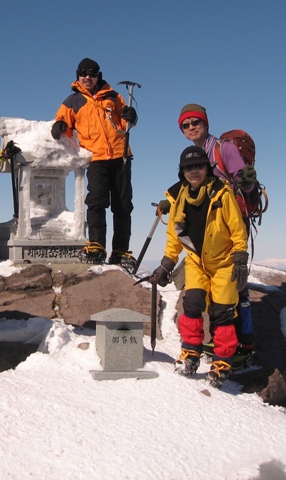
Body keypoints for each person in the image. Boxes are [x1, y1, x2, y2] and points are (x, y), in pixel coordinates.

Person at [150, 147, 249, 388]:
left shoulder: (222, 193)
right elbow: (174, 236)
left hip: (224, 262)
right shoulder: (177, 198)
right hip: (196, 262)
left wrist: (240, 259)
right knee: (192, 305)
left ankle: (222, 360)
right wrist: (166, 264)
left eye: (199, 166)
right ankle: (190, 352)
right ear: (182, 172)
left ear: (207, 168)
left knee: (223, 312)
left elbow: (238, 230)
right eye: (188, 167)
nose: (194, 171)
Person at [174, 103, 259, 357]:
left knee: (235, 283)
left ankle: (244, 344)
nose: (191, 127)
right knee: (217, 285)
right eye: (185, 125)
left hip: (232, 223)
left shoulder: (224, 148)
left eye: (195, 122)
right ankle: (221, 339)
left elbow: (246, 182)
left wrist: (248, 181)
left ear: (205, 124)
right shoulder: (196, 154)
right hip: (211, 228)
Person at [51, 58, 138, 269]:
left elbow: (126, 123)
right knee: (96, 202)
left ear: (98, 75)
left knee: (123, 205)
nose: (87, 77)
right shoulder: (72, 101)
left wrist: (131, 116)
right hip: (96, 158)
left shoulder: (114, 96)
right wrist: (60, 126)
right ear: (78, 76)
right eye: (83, 73)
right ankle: (96, 246)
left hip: (121, 155)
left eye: (92, 73)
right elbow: (63, 123)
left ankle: (120, 251)